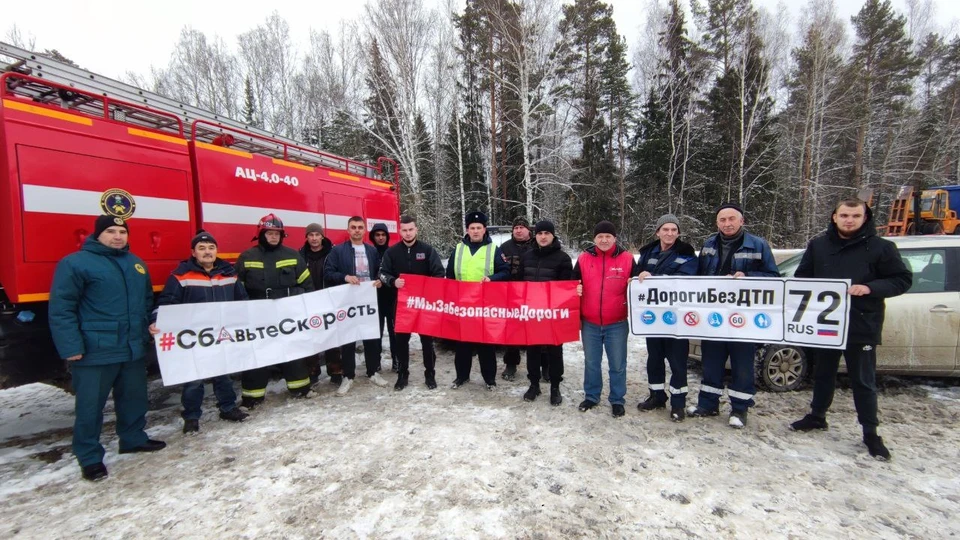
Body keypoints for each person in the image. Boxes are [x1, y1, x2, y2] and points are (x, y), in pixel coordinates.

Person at [789, 199, 911, 461]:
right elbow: (802, 276)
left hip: (861, 324)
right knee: (823, 373)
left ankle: (871, 433)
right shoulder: (819, 245)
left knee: (863, 380)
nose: (849, 220)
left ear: (865, 218)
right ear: (834, 217)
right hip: (825, 325)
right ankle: (817, 416)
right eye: (844, 215)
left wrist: (870, 288)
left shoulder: (882, 248)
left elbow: (901, 279)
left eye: (855, 216)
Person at [49, 215, 166, 482]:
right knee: (91, 407)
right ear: (98, 234)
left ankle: (133, 438)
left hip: (132, 347)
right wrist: (71, 346)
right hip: (95, 350)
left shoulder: (136, 264)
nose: (117, 236)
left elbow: (147, 301)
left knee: (134, 398)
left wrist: (151, 323)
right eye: (111, 231)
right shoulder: (75, 264)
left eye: (122, 231)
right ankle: (89, 457)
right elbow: (61, 308)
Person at [688, 202, 779, 429]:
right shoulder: (709, 244)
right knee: (711, 363)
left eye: (731, 219)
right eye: (722, 220)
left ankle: (739, 409)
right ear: (717, 222)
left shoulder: (758, 245)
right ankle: (708, 404)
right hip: (714, 317)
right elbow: (699, 276)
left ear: (742, 221)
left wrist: (747, 275)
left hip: (744, 319)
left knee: (742, 365)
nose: (727, 224)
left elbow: (773, 278)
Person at [149, 231, 250, 434]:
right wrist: (155, 321)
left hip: (221, 336)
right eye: (202, 248)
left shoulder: (229, 274)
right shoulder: (181, 276)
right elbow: (167, 303)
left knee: (223, 373)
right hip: (194, 338)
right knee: (194, 379)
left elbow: (242, 302)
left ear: (216, 251)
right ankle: (192, 417)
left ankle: (228, 408)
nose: (207, 252)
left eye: (211, 248)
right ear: (193, 253)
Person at [236, 214, 315, 408]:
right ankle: (252, 396)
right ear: (261, 234)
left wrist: (307, 308)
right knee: (258, 352)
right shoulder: (247, 257)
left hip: (288, 313)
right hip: (258, 315)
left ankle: (300, 388)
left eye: (277, 233)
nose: (273, 237)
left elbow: (307, 284)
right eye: (270, 233)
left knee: (293, 350)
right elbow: (237, 290)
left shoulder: (292, 255)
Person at [635, 214, 699, 421]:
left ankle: (678, 403)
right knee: (654, 360)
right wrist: (639, 276)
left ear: (678, 232)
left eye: (673, 230)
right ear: (658, 232)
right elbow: (637, 276)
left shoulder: (687, 254)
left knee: (677, 363)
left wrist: (656, 279)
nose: (669, 233)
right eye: (665, 229)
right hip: (653, 319)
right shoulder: (647, 252)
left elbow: (687, 279)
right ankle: (657, 396)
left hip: (676, 321)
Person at [573, 220, 638, 417]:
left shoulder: (627, 259)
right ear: (594, 238)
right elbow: (571, 283)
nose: (604, 240)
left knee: (617, 364)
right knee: (592, 362)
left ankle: (617, 399)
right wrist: (575, 287)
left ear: (615, 238)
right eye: (600, 236)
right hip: (590, 322)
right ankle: (592, 396)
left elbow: (638, 286)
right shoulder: (584, 258)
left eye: (608, 236)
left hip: (616, 323)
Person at [379, 215, 446, 390]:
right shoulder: (392, 252)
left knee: (427, 341)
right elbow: (382, 273)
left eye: (411, 230)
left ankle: (430, 374)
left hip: (424, 304)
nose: (408, 233)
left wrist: (428, 287)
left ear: (416, 229)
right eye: (404, 230)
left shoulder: (428, 250)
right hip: (401, 306)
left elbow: (439, 273)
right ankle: (402, 374)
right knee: (401, 341)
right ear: (400, 231)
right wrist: (393, 282)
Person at [324, 216, 389, 395]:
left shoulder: (371, 251)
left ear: (364, 230)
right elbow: (328, 272)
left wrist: (379, 280)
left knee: (372, 338)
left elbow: (379, 271)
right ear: (348, 230)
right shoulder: (338, 251)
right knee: (348, 339)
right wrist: (345, 277)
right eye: (353, 227)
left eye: (360, 227)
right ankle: (348, 376)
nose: (357, 230)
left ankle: (373, 371)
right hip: (348, 301)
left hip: (368, 299)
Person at [446, 211, 511, 389]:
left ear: (484, 229)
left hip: (485, 306)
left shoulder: (493, 250)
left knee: (486, 345)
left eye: (479, 228)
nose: (475, 231)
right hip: (463, 305)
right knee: (462, 344)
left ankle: (489, 379)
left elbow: (505, 271)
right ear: (467, 229)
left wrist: (492, 278)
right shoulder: (458, 249)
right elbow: (450, 275)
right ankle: (461, 376)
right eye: (472, 228)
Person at [519, 220, 573, 405]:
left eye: (546, 233)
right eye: (540, 233)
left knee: (554, 351)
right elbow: (518, 283)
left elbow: (567, 288)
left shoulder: (563, 258)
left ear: (552, 236)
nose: (543, 237)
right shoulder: (527, 257)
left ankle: (555, 386)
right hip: (532, 313)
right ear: (535, 235)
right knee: (532, 350)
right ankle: (534, 384)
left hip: (553, 314)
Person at [299, 223, 343, 385]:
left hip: (329, 300)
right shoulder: (301, 255)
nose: (314, 238)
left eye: (317, 235)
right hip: (309, 301)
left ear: (322, 236)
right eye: (311, 235)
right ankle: (312, 371)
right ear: (307, 237)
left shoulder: (332, 253)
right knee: (311, 338)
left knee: (332, 337)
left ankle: (336, 370)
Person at [499, 215, 534, 381]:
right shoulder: (505, 247)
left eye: (522, 227)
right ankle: (511, 364)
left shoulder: (537, 245)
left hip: (534, 297)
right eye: (516, 228)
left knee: (537, 332)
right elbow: (499, 269)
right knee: (511, 333)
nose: (519, 230)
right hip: (511, 296)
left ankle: (542, 366)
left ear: (528, 230)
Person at [370, 222, 398, 373]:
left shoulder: (393, 252)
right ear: (373, 237)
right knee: (376, 332)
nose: (380, 238)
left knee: (394, 332)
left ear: (387, 236)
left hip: (392, 298)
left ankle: (396, 360)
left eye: (383, 235)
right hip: (374, 299)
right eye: (377, 235)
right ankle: (376, 362)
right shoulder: (369, 252)